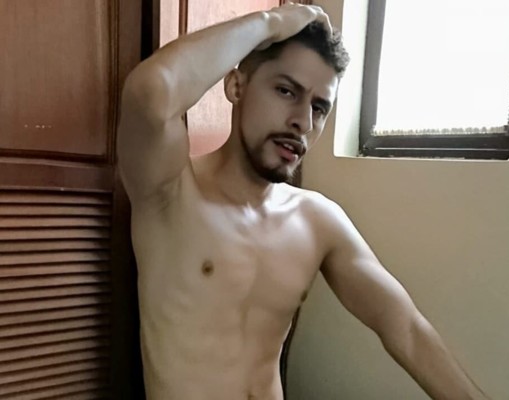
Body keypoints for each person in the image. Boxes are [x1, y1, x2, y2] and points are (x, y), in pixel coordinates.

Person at [117, 3, 489, 399]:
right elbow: (151, 91)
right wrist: (270, 23)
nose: (303, 122)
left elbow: (407, 331)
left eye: (318, 107)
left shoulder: (318, 220)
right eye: (286, 91)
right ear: (236, 86)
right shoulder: (170, 191)